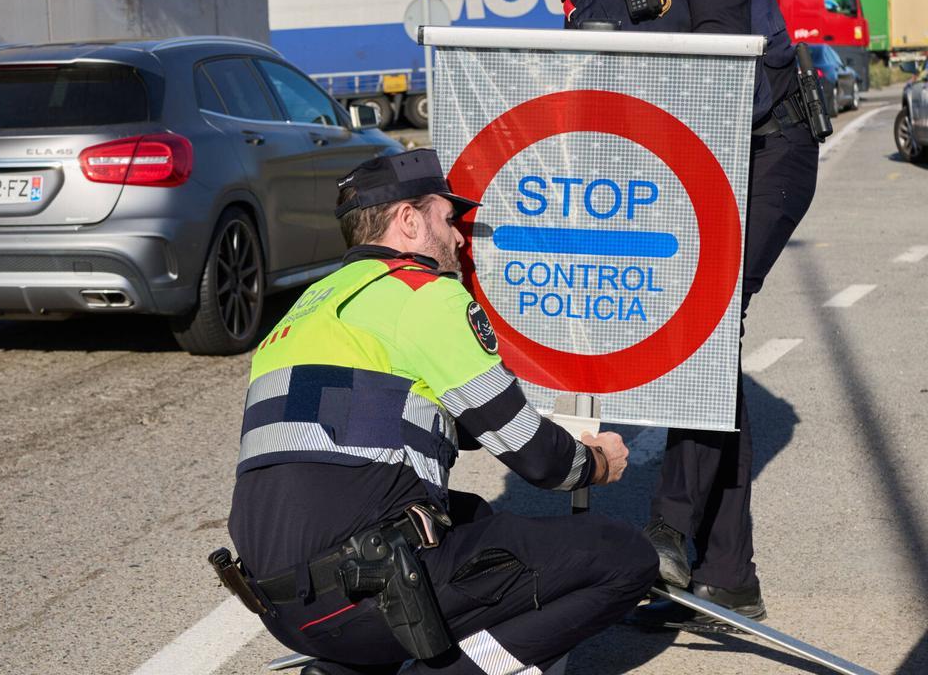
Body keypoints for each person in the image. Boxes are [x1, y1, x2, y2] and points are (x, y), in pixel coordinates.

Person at [500, 0, 820, 628]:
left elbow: (718, 63)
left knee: (702, 326)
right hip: (678, 172)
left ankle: (670, 531)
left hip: (766, 153)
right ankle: (728, 578)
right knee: (706, 350)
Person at [225, 149, 658, 675]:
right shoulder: (421, 295)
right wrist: (596, 462)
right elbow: (537, 460)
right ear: (408, 220)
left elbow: (383, 421)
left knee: (473, 515)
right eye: (449, 220)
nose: (458, 239)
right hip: (371, 590)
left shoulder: (308, 308)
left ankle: (348, 667)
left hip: (282, 604)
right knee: (623, 557)